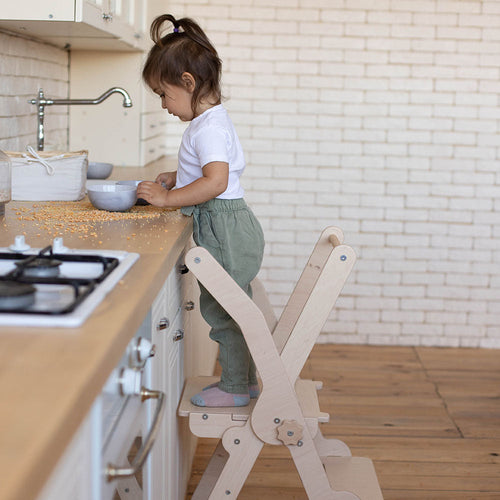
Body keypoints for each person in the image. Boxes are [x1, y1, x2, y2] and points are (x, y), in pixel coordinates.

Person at [137, 14, 265, 408]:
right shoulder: (207, 122)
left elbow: (216, 181)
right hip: (227, 224)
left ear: (188, 82)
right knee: (232, 304)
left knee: (223, 308)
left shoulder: (208, 127)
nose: (163, 104)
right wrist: (180, 176)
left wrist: (166, 199)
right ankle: (245, 380)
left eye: (163, 93)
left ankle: (235, 388)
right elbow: (208, 171)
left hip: (224, 228)